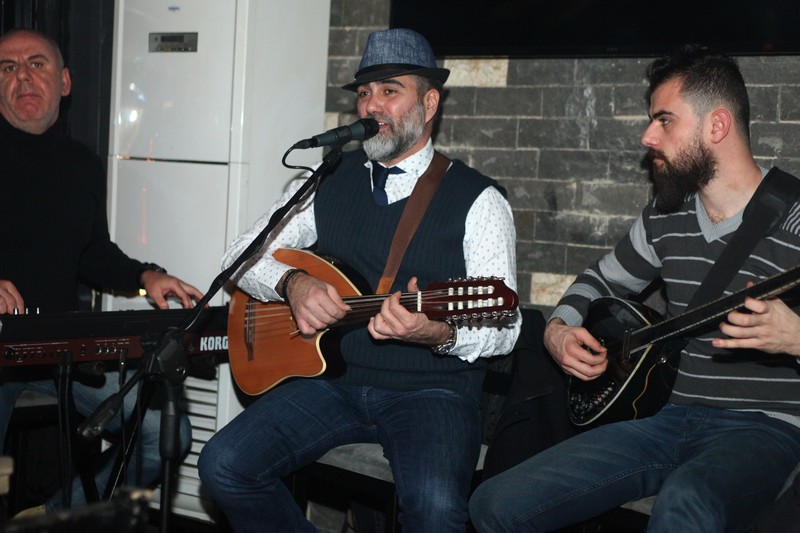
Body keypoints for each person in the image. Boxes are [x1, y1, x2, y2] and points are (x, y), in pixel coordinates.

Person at [198, 28, 520, 532]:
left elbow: (507, 328)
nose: (372, 105)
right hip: (332, 382)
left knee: (435, 510)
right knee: (223, 464)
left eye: (390, 90)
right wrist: (292, 284)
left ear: (429, 103)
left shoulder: (479, 200)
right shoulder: (327, 179)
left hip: (432, 391)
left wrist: (437, 332)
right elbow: (239, 255)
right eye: (365, 92)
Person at [469, 45, 800, 532]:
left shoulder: (794, 216)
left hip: (767, 431)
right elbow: (600, 279)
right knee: (494, 502)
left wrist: (796, 339)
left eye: (664, 120)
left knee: (686, 502)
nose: (648, 136)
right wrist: (558, 328)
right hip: (669, 420)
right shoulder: (665, 217)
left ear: (717, 126)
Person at [0, 28, 204, 516]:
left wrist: (146, 276)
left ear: (65, 82)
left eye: (36, 64)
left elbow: (93, 254)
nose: (22, 76)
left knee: (164, 434)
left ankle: (51, 519)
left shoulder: (82, 164)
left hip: (58, 352)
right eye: (8, 67)